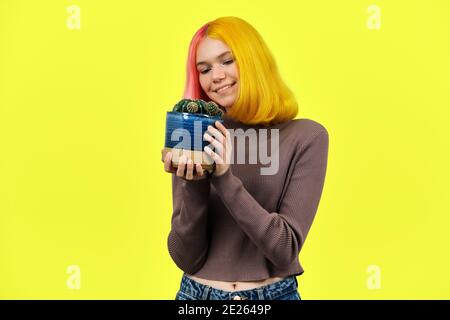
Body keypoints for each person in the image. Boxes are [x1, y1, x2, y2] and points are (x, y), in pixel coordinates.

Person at [161, 16, 329, 300]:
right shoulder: (197, 134)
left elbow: (285, 248)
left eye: (227, 61)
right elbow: (185, 257)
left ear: (254, 60)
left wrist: (224, 177)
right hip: (197, 297)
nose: (216, 76)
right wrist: (194, 183)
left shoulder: (306, 137)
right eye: (205, 68)